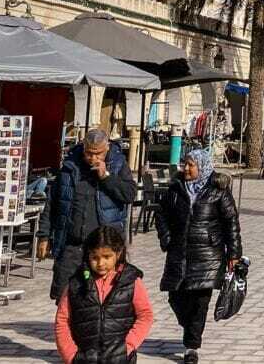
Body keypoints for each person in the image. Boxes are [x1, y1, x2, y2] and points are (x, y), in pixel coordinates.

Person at [155, 149, 242, 364]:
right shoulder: (176, 189)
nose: (186, 168)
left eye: (191, 165)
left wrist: (234, 253)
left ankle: (191, 347)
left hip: (208, 255)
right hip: (180, 253)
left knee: (199, 303)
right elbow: (161, 214)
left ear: (202, 167)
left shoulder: (218, 191)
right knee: (175, 297)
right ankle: (190, 328)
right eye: (185, 164)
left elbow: (231, 223)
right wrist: (166, 238)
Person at [39, 129, 138, 302]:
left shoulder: (118, 164)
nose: (93, 158)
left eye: (98, 154)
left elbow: (129, 194)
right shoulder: (70, 165)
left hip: (104, 247)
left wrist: (106, 177)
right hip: (72, 244)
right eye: (89, 153)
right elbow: (53, 201)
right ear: (83, 147)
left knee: (103, 298)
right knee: (64, 296)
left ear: (107, 148)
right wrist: (44, 235)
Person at [54, 224, 153, 364]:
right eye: (95, 257)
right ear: (88, 255)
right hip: (84, 359)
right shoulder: (76, 284)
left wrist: (127, 347)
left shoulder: (131, 281)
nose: (100, 263)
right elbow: (62, 320)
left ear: (118, 253)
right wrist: (70, 356)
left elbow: (145, 315)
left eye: (107, 257)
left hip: (120, 359)